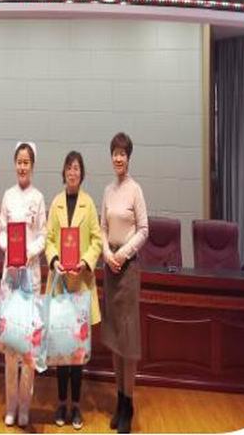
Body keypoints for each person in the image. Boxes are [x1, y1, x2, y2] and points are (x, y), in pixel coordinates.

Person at [45, 151, 102, 430]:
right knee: (60, 349)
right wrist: (55, 259)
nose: (72, 172)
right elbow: (49, 239)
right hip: (59, 285)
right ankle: (60, 402)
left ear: (82, 173)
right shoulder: (55, 202)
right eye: (69, 168)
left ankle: (76, 406)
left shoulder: (88, 204)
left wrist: (85, 261)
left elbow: (97, 240)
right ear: (64, 172)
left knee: (77, 352)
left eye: (77, 168)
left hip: (80, 285)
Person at [101, 132, 148, 434]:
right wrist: (107, 254)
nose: (118, 158)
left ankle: (129, 404)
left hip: (128, 269)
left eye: (123, 153)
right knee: (115, 338)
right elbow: (102, 228)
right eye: (115, 153)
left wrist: (122, 253)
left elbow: (144, 229)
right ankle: (119, 400)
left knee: (128, 342)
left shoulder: (135, 190)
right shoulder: (108, 190)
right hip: (110, 269)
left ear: (129, 157)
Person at [0, 141, 46, 428]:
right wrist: (9, 249)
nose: (22, 166)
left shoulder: (38, 198)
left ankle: (25, 406)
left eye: (26, 162)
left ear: (33, 165)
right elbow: (1, 232)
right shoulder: (7, 195)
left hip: (30, 277)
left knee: (28, 347)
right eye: (19, 161)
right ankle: (11, 405)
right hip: (10, 277)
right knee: (10, 347)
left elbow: (43, 236)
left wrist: (28, 252)